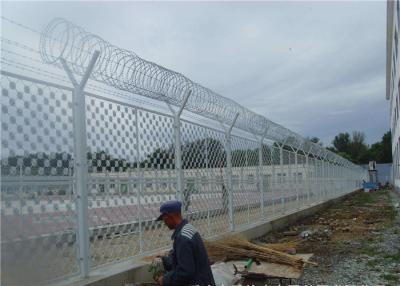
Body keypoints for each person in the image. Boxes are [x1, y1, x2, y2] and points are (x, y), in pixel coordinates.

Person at [155, 200, 215, 286]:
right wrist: (165, 259)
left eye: (164, 219)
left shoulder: (182, 238)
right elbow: (183, 261)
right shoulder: (188, 228)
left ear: (169, 216)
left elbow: (185, 272)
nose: (164, 223)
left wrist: (165, 280)